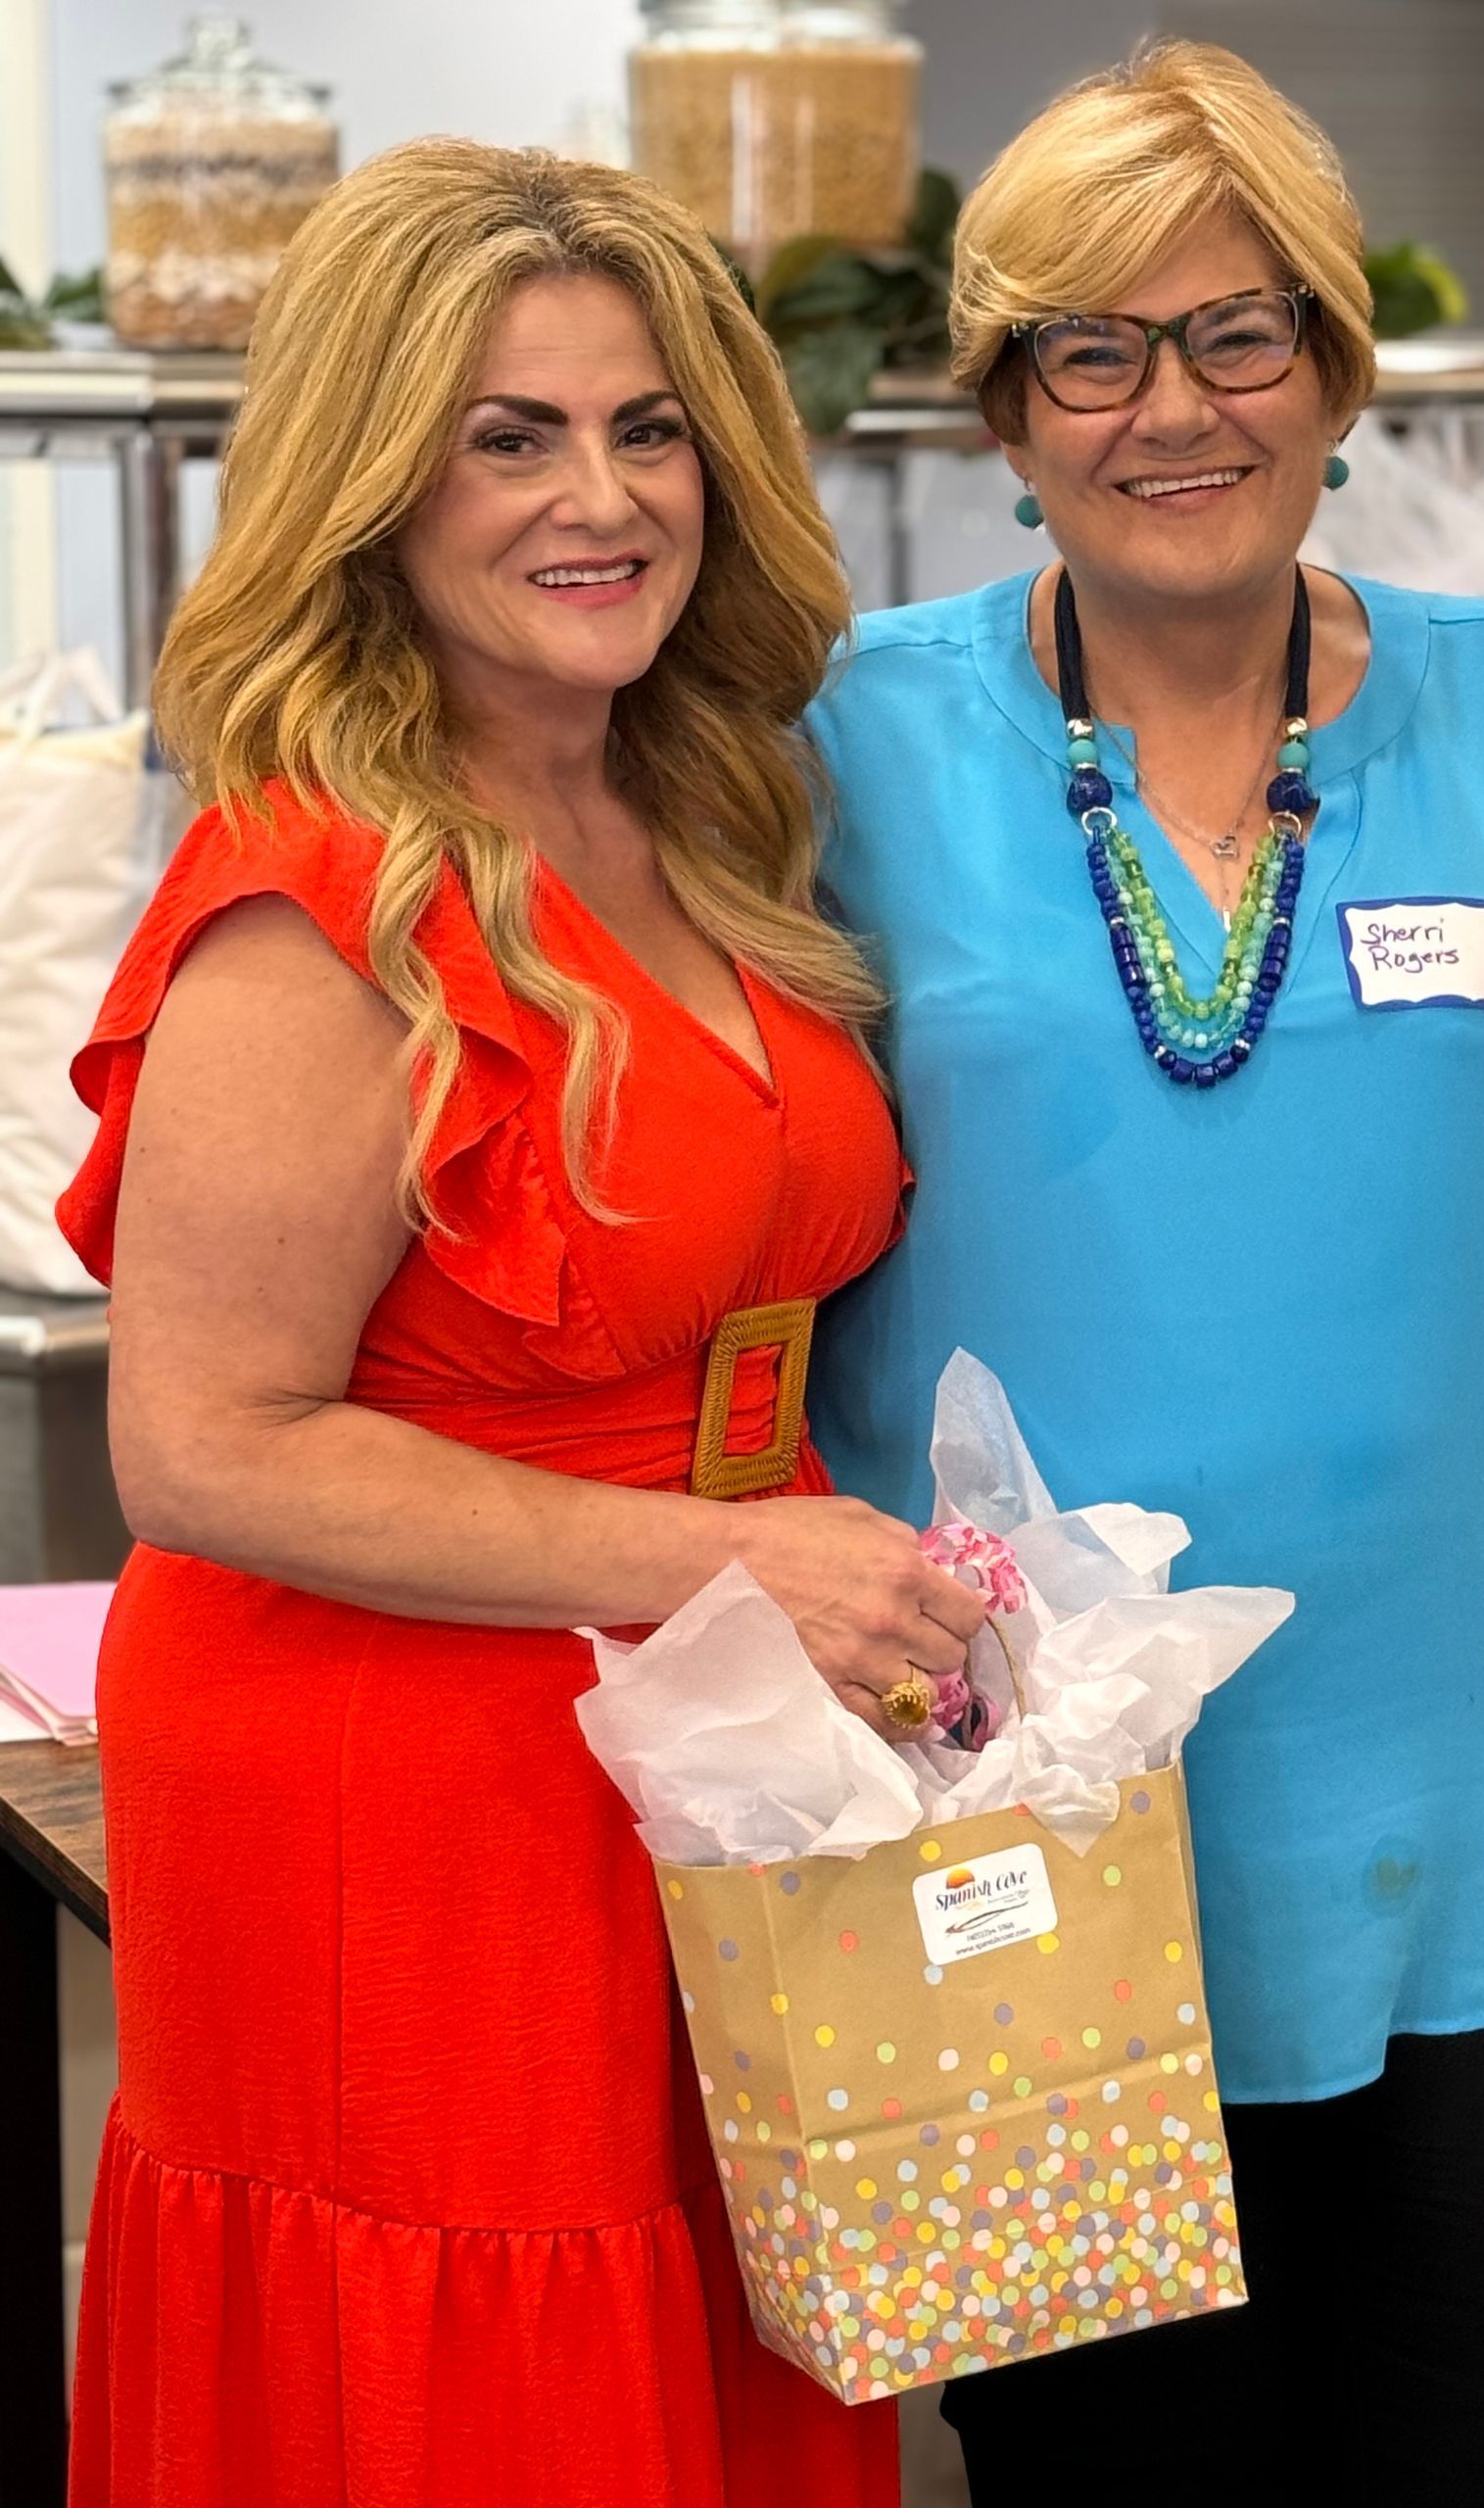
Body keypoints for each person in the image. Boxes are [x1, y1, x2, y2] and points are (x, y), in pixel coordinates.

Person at [805, 42, 1484, 2506]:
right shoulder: (846, 743)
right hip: (1045, 1881)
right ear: (1000, 406)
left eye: (1237, 334)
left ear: (1337, 368)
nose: (1168, 407)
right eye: (1085, 352)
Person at [55, 140, 983, 2508]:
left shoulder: (690, 809)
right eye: (512, 433)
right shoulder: (313, 894)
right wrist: (731, 1557)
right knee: (480, 2404)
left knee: (708, 2365)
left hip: (700, 1755)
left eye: (647, 425)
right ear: (373, 488)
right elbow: (202, 1443)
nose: (605, 496)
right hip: (405, 1797)